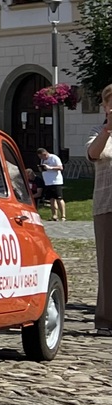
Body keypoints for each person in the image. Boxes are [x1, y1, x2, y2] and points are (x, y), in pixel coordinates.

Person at [86, 82, 112, 337]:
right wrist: (108, 129)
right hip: (107, 206)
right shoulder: (99, 131)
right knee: (108, 264)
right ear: (105, 106)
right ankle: (106, 319)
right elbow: (94, 153)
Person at [37, 147, 65, 221]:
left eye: (41, 156)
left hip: (56, 181)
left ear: (45, 154)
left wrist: (50, 168)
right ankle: (54, 215)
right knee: (51, 199)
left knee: (59, 199)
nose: (41, 158)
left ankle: (63, 216)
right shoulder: (42, 160)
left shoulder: (54, 158)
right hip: (48, 181)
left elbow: (60, 167)